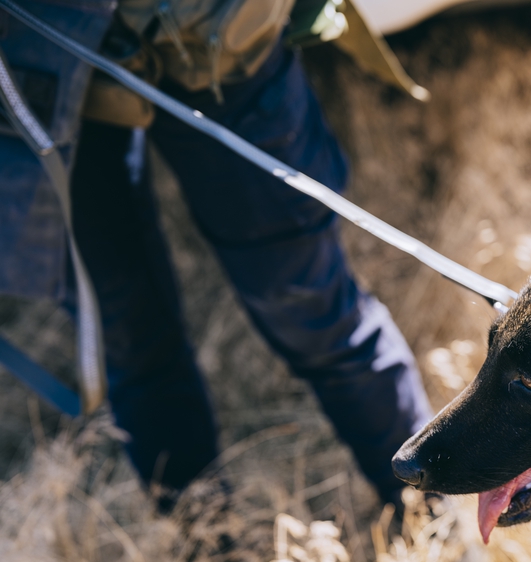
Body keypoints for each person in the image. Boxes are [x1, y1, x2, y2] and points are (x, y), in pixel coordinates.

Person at [0, 0, 433, 514]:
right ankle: (207, 554)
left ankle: (431, 513)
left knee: (310, 304)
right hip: (48, 65)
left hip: (225, 43)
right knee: (127, 335)